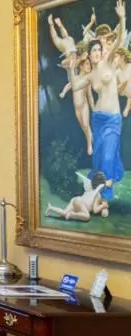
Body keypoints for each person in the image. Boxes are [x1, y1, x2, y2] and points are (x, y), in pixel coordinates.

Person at [64, 0, 126, 200]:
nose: (98, 52)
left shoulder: (109, 62)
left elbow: (118, 41)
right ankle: (97, 190)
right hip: (98, 119)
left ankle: (104, 195)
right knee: (99, 157)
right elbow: (75, 86)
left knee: (108, 155)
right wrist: (71, 70)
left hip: (113, 119)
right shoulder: (90, 76)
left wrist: (122, 18)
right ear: (89, 56)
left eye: (99, 49)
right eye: (94, 51)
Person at [60, 47, 96, 155]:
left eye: (90, 65)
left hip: (84, 106)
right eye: (87, 65)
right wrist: (63, 92)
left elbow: (89, 96)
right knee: (83, 126)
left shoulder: (87, 81)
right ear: (81, 66)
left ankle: (89, 144)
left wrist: (93, 107)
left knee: (86, 124)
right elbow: (69, 85)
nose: (89, 67)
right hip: (77, 108)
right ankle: (89, 136)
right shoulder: (75, 78)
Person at [45, 171, 113, 221]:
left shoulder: (89, 189)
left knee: (64, 213)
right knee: (87, 217)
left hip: (75, 199)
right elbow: (95, 210)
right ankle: (72, 214)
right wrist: (103, 206)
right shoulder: (97, 195)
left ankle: (51, 208)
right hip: (80, 202)